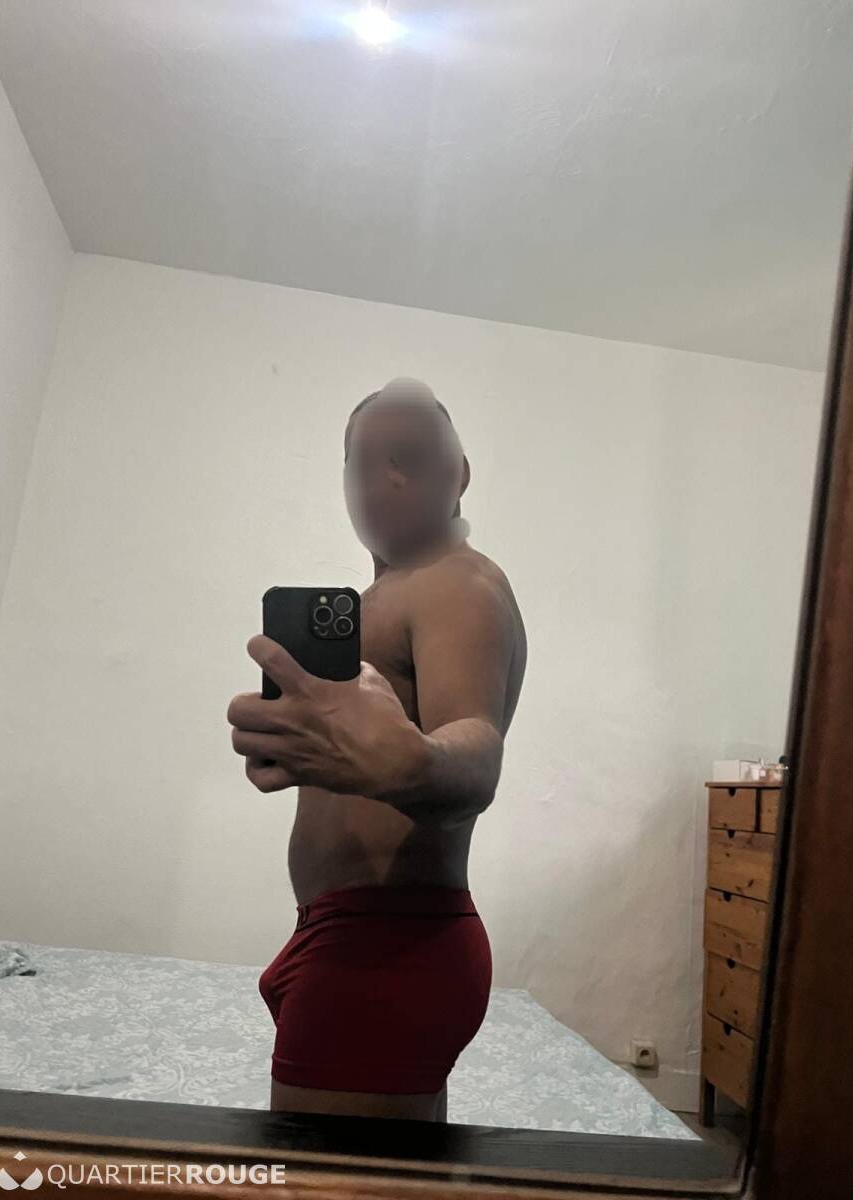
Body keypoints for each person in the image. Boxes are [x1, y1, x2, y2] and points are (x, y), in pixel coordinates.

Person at [226, 377, 527, 1121]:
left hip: (389, 940)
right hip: (357, 936)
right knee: (390, 1172)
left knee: (317, 1174)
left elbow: (476, 747)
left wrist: (411, 764)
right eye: (364, 462)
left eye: (409, 457)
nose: (385, 477)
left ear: (460, 474)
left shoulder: (456, 583)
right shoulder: (377, 603)